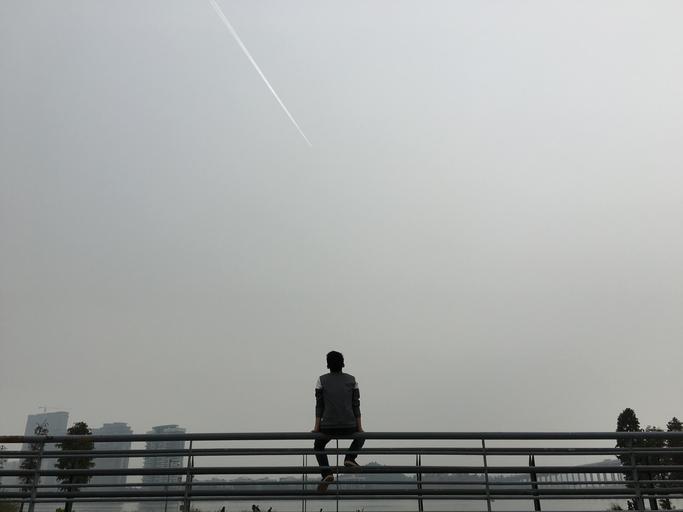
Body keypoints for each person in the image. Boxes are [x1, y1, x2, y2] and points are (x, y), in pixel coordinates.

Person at [312, 351, 365, 491]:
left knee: (318, 446)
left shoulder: (321, 380)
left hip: (328, 426)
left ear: (328, 365)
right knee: (361, 437)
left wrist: (316, 428)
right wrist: (360, 429)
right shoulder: (352, 380)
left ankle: (327, 474)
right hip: (349, 426)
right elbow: (356, 405)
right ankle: (350, 458)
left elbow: (319, 405)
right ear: (343, 364)